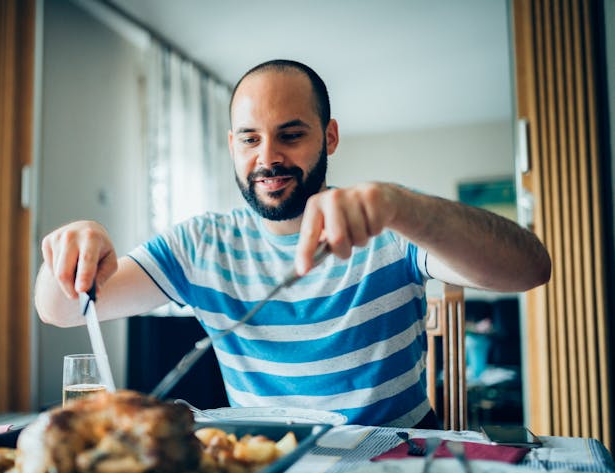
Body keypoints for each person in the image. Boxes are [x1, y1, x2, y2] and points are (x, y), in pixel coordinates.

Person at [35, 59, 551, 428]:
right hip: (269, 471)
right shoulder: (200, 245)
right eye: (249, 138)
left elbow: (530, 268)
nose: (268, 157)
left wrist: (405, 207)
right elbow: (60, 310)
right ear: (232, 144)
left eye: (291, 134)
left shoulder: (391, 219)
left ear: (328, 138)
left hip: (400, 466)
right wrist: (75, 248)